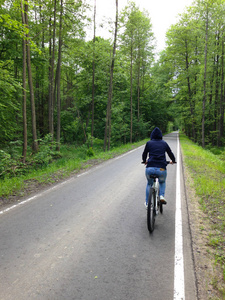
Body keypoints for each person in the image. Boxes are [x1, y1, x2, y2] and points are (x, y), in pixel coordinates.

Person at [142, 127, 176, 208]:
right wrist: (173, 161)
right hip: (161, 169)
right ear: (161, 135)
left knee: (149, 184)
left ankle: (147, 203)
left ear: (152, 135)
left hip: (149, 168)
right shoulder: (164, 143)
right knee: (162, 182)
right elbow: (170, 153)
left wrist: (144, 161)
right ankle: (161, 196)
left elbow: (144, 154)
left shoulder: (149, 143)